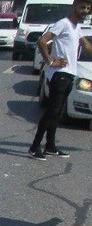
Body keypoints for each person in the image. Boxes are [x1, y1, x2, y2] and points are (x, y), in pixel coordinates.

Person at [28, 0, 92, 160]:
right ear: (74, 6)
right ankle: (34, 147)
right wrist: (50, 61)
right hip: (59, 74)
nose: (85, 11)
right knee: (51, 112)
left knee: (57, 113)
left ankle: (50, 146)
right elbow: (42, 41)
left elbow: (86, 46)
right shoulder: (63, 23)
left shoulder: (76, 27)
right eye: (82, 7)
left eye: (88, 9)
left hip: (69, 74)